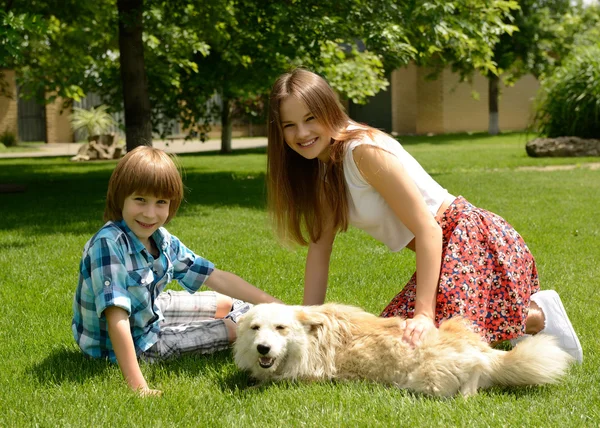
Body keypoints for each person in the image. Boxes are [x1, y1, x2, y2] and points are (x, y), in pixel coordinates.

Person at [265, 68, 583, 362]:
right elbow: (320, 249)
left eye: (310, 119)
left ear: (329, 111)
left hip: (468, 236)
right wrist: (303, 322)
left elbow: (429, 229)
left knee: (439, 348)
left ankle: (538, 316)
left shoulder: (363, 152)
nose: (302, 132)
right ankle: (516, 317)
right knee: (389, 344)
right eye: (289, 125)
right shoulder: (323, 170)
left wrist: (424, 314)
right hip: (442, 253)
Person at [72, 146, 281, 397]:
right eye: (140, 199)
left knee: (230, 304)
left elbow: (215, 276)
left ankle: (246, 318)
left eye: (161, 202)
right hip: (130, 343)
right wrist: (140, 387)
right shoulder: (108, 245)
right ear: (120, 197)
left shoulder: (162, 240)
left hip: (151, 309)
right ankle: (231, 329)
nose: (150, 213)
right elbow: (117, 318)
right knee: (235, 328)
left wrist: (278, 306)